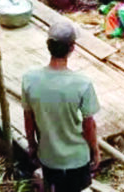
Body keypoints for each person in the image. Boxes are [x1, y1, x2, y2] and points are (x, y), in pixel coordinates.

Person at [22, 21, 101, 192]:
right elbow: (89, 125)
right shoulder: (83, 84)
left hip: (49, 157)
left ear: (48, 45)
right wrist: (95, 151)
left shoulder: (29, 79)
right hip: (77, 158)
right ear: (72, 49)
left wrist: (32, 145)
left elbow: (28, 118)